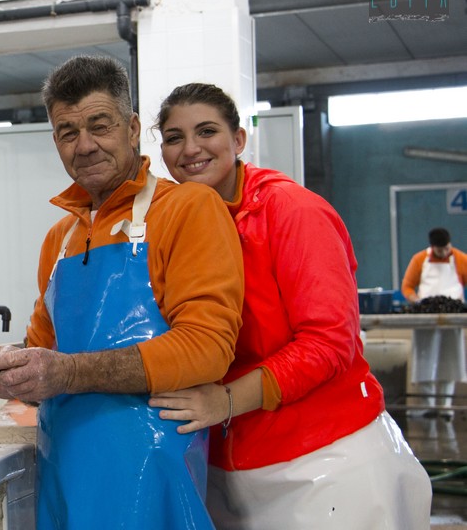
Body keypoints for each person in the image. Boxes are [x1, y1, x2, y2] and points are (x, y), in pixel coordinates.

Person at [150, 82, 432, 529]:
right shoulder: (175, 223)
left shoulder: (292, 211)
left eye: (206, 131)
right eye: (174, 137)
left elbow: (329, 342)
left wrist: (226, 401)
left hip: (328, 461)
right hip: (229, 462)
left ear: (238, 139)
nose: (190, 149)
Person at [0, 57, 244, 530]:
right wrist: (12, 370)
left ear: (133, 129)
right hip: (64, 469)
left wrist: (67, 373)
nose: (84, 146)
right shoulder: (59, 238)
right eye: (67, 132)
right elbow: (43, 347)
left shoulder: (189, 208)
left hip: (152, 475)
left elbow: (208, 349)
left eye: (100, 126)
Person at [401, 227, 467, 417]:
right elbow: (407, 286)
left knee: (449, 360)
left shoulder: (461, 259)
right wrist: (417, 302)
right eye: (440, 250)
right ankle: (428, 406)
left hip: (452, 319)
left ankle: (446, 407)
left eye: (446, 248)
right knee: (425, 360)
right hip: (426, 319)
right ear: (432, 247)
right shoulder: (419, 260)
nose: (444, 252)